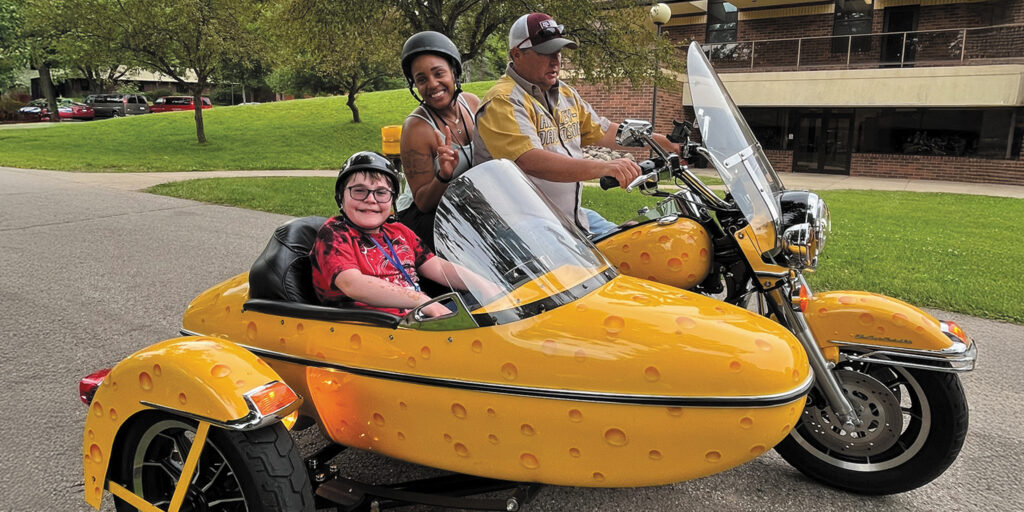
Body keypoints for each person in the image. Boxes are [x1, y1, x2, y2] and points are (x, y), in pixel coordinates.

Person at [473, 12, 681, 235]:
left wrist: (665, 143)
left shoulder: (564, 93)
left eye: (558, 52)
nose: (556, 60)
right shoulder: (503, 101)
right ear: (517, 54)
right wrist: (604, 167)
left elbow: (603, 130)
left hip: (567, 218)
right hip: (524, 229)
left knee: (639, 239)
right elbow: (530, 160)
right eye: (545, 52)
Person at [311, 151, 495, 318]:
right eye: (359, 191)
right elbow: (351, 283)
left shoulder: (398, 231)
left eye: (381, 193)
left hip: (418, 318)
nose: (370, 199)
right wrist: (421, 301)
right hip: (372, 328)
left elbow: (439, 268)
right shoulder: (334, 234)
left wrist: (484, 286)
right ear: (340, 197)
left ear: (392, 199)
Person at [397, 31, 480, 251]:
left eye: (438, 73)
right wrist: (444, 175)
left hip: (468, 206)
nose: (432, 84)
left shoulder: (472, 104)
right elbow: (423, 202)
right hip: (424, 217)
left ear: (454, 72)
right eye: (422, 79)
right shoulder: (416, 128)